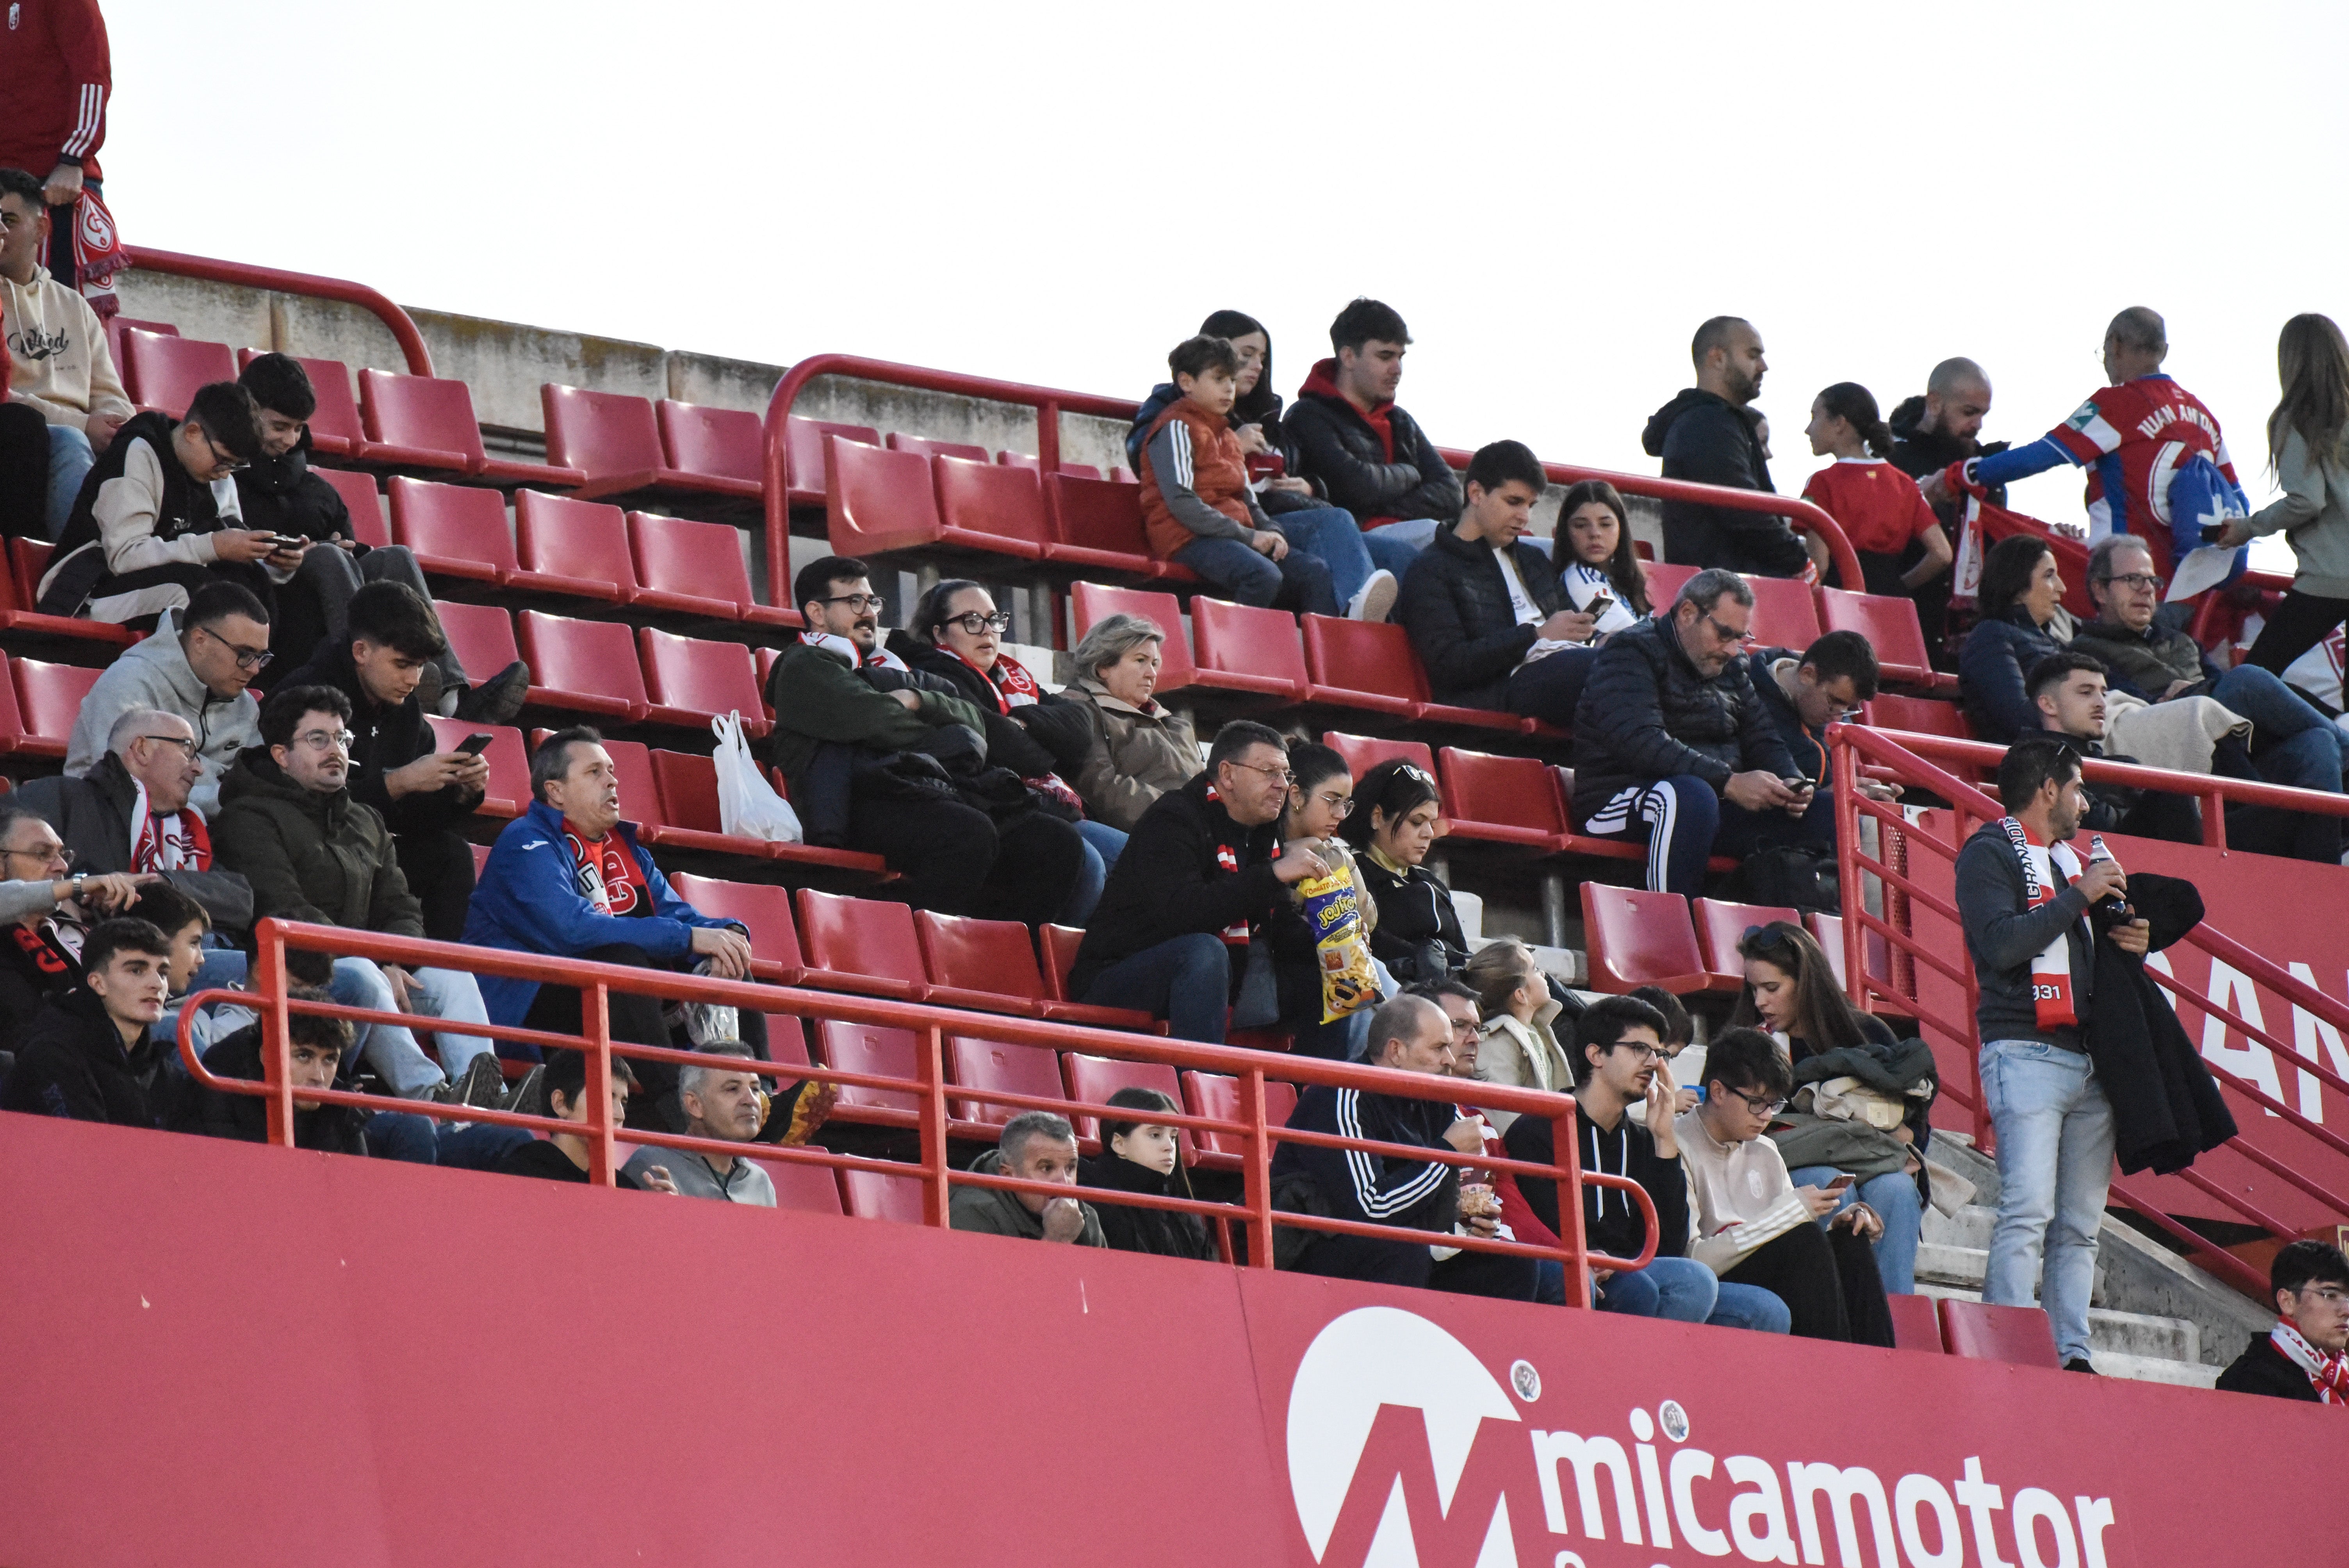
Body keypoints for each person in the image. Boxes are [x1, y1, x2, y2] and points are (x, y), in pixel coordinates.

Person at [1955, 738, 2153, 1371]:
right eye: (2077, 788)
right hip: (2026, 1052)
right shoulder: (1989, 852)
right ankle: (2006, 1347)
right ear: (2047, 789)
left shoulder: (2072, 861)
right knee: (2028, 1209)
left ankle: (2071, 1351)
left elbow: (2088, 961)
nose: (2084, 802)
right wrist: (2081, 896)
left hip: (2090, 1059)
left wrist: (2131, 937)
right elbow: (2001, 945)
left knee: (2079, 1225)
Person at [210, 683, 503, 1087]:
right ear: (281, 754)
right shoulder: (247, 817)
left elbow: (400, 905)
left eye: (341, 738)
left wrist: (396, 960)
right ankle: (430, 1094)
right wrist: (376, 960)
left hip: (374, 966)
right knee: (363, 975)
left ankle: (488, 1098)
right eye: (318, 739)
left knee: (453, 979)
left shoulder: (365, 819)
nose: (336, 750)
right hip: (295, 973)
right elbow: (285, 907)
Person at [765, 556, 1082, 924]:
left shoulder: (886, 666)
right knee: (966, 834)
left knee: (1054, 842)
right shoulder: (804, 665)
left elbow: (974, 720)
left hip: (913, 785)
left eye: (873, 602)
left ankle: (1002, 959)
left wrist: (919, 701)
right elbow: (877, 721)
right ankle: (903, 945)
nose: (869, 612)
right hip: (852, 800)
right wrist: (937, 725)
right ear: (817, 612)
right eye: (855, 602)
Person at [465, 726, 763, 1100]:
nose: (612, 781)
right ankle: (678, 1104)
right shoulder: (526, 841)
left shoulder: (624, 848)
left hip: (611, 1004)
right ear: (555, 791)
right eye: (595, 773)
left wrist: (729, 932)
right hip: (526, 1005)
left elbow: (676, 914)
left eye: (611, 770)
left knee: (730, 957)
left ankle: (761, 1094)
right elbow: (570, 930)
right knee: (620, 960)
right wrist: (687, 938)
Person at [233, 353, 526, 719]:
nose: (290, 440)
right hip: (269, 609)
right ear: (247, 412)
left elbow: (352, 557)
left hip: (325, 601)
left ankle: (452, 698)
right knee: (327, 557)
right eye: (279, 427)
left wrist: (347, 549)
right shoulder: (225, 477)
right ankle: (363, 674)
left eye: (298, 429)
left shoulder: (319, 491)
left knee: (394, 557)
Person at [1504, 996, 1792, 1331]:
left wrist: (1665, 1140)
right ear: (1596, 1054)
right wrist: (1596, 1260)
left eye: (1660, 1054)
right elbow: (1539, 1224)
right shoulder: (1540, 1127)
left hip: (1634, 1270)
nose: (1653, 1063)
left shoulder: (1644, 1139)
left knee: (1766, 1311)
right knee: (1688, 1282)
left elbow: (1668, 1246)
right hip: (1578, 1268)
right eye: (1639, 1049)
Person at [2067, 534, 2346, 862]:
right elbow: (2123, 706)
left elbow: (2216, 681)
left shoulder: (2181, 640)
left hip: (2236, 742)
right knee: (2246, 680)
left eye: (2152, 581)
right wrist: (2183, 694)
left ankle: (2325, 878)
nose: (2146, 589)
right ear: (2099, 590)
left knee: (2317, 742)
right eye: (2132, 580)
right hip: (2176, 737)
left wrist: (2194, 689)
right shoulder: (2085, 653)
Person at [1926, 308, 2245, 585]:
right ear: (2164, 351)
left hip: (2125, 580)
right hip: (2193, 588)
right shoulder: (2204, 417)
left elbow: (2041, 456)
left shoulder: (2115, 405)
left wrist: (1962, 475)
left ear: (2115, 346)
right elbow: (2239, 500)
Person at [1069, 721, 1322, 1044]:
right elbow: (1184, 912)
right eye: (1270, 772)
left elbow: (1276, 923)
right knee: (1204, 952)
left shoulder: (1262, 832)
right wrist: (1272, 875)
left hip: (1212, 977)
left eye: (1286, 775)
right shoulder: (1174, 818)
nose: (1282, 785)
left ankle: (1319, 1091)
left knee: (1330, 971)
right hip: (1118, 974)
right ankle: (1204, 1082)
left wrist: (1330, 939)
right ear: (1228, 775)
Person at [1274, 993, 1536, 1299]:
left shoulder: (1438, 1099)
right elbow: (1371, 1208)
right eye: (1439, 1048)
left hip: (1403, 1245)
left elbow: (1451, 1195)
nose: (1450, 1060)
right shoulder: (1342, 1095)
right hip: (1316, 1251)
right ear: (1396, 1051)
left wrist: (1473, 1220)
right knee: (1404, 1248)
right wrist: (1446, 1154)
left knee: (1513, 1264)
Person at [897, 577, 1123, 924]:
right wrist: (1038, 738)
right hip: (1003, 808)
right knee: (1095, 863)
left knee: (1149, 860)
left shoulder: (1014, 681)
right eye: (972, 621)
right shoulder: (937, 675)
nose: (987, 631)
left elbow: (1080, 729)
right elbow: (1012, 751)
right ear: (940, 634)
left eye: (994, 620)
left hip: (1050, 807)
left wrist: (1022, 720)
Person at [1571, 569, 1809, 896]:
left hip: (1712, 801)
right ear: (1687, 613)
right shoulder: (1630, 652)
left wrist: (1791, 780)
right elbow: (1639, 741)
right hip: (1617, 799)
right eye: (1724, 634)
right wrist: (1729, 781)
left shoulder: (1734, 665)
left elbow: (1763, 736)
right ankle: (1670, 931)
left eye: (1741, 638)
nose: (1731, 649)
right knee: (1687, 797)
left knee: (1829, 815)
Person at [277, 581, 491, 940]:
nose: (414, 680)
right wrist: (399, 782)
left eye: (421, 667)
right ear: (361, 651)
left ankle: (441, 971)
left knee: (450, 854)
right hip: (306, 851)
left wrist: (459, 792)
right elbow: (295, 803)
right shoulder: (303, 697)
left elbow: (412, 819)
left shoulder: (404, 711)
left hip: (372, 852)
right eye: (403, 665)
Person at [1135, 333, 1392, 621]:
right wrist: (1250, 536)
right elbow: (1183, 503)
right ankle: (1234, 654)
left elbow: (1248, 500)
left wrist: (1273, 533)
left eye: (1232, 381)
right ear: (1187, 382)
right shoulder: (1176, 428)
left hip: (1231, 534)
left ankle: (1328, 659)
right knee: (1263, 574)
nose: (1229, 389)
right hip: (1187, 538)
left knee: (1314, 572)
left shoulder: (1228, 437)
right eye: (1219, 379)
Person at [1730, 920, 1927, 1294]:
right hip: (1785, 1171)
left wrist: (1908, 1134)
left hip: (1871, 1162)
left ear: (1806, 983)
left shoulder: (1868, 1034)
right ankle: (1835, 1321)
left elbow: (1917, 1128)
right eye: (1753, 989)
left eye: (1772, 988)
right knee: (1827, 1185)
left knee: (1899, 1190)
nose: (1759, 1002)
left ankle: (1891, 1332)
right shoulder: (1751, 1043)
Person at [1677, 1026, 1895, 1344]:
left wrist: (1834, 1226)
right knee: (1803, 1239)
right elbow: (1693, 1260)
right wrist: (1792, 1213)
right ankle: (1828, 1371)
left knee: (1850, 1240)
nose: (1766, 1116)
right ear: (1719, 1092)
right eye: (1756, 1103)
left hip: (1769, 1268)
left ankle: (1880, 1374)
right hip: (1714, 1275)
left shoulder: (1765, 1149)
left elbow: (1784, 1239)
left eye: (1774, 1105)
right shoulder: (1677, 1144)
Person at [34, 378, 284, 626]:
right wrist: (213, 546)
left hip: (162, 581)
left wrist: (271, 560)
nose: (226, 473)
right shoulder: (138, 454)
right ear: (193, 433)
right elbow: (124, 557)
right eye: (223, 459)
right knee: (199, 595)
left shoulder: (217, 470)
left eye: (236, 466)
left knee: (252, 592)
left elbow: (225, 542)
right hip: (90, 588)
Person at [1397, 440, 1599, 724]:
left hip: (1563, 670)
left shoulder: (1534, 560)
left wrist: (1595, 637)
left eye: (1530, 505)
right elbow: (1450, 666)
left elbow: (1569, 626)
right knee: (1611, 672)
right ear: (1477, 493)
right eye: (1514, 502)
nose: (1525, 517)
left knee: (1640, 663)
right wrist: (1536, 636)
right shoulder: (1432, 569)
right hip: (1504, 689)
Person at [15, 706, 254, 935]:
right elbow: (15, 863)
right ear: (142, 749)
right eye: (188, 751)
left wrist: (160, 884)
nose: (198, 769)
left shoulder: (187, 829)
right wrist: (73, 893)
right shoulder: (62, 795)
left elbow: (241, 899)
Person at [1285, 298, 1464, 578]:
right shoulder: (1309, 415)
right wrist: (1410, 474)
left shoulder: (1400, 421)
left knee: (1533, 551)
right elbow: (1355, 486)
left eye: (1400, 357)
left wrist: (1376, 503)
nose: (1397, 369)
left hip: (1402, 532)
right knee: (1444, 538)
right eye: (1385, 357)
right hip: (1353, 541)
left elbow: (1451, 495)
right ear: (1348, 357)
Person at [65, 580, 269, 817]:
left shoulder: (245, 706)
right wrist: (227, 797)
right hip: (111, 823)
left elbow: (259, 783)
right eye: (245, 654)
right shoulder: (129, 682)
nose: (254, 669)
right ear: (200, 640)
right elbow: (131, 787)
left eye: (261, 656)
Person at [0, 162, 128, 536]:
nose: (0, 231)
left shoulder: (74, 306)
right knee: (68, 441)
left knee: (173, 441)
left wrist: (108, 425)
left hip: (84, 439)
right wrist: (81, 424)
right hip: (25, 437)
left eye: (9, 219)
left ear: (41, 228)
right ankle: (76, 568)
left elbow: (113, 399)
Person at [2226, 314, 2349, 682]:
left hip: (2329, 577)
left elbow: (2308, 500)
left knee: (2251, 680)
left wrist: (2248, 528)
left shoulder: (2296, 420)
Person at [1641, 316, 1810, 577]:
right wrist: (1799, 561)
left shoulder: (1714, 420)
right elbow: (1744, 509)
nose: (1764, 366)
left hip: (1728, 590)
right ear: (1718, 358)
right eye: (1753, 355)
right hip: (1727, 596)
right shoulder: (1708, 423)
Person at [1262, 741, 1381, 1060]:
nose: (1340, 815)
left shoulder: (1336, 852)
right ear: (1297, 795)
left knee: (1364, 973)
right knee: (1351, 983)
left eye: (1346, 805)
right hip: (1267, 968)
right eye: (1332, 801)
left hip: (1316, 968)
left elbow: (1367, 920)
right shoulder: (1261, 842)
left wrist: (1340, 866)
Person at [0, 800, 144, 1052]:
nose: (63, 867)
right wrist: (79, 885)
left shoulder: (71, 930)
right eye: (42, 854)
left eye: (63, 855)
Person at [0, 915, 172, 1125]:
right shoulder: (53, 1054)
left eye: (163, 973)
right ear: (98, 983)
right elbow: (82, 1151)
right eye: (136, 971)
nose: (157, 984)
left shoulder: (162, 1068)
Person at [1744, 629, 1896, 853]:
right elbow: (1768, 785)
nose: (1838, 717)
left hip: (1812, 819)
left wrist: (1853, 789)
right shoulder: (1749, 696)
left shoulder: (1821, 707)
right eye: (1834, 702)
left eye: (1848, 709)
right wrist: (1827, 796)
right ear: (1807, 675)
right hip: (1760, 818)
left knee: (1888, 817)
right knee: (1845, 818)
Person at [2025, 651, 2200, 844]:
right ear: (2049, 705)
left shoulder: (2120, 763)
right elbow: (2098, 824)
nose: (2101, 704)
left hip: (2133, 853)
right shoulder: (2032, 761)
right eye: (2086, 693)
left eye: (2103, 694)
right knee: (2174, 789)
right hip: (2107, 856)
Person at [1888, 358, 2002, 652]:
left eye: (1983, 415)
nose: (1977, 425)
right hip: (1903, 626)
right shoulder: (1891, 462)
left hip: (1969, 640)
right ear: (1936, 403)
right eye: (1969, 413)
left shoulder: (1986, 473)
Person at [1798, 382, 1952, 601]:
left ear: (1840, 423)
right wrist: (1896, 586)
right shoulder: (1905, 484)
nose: (1808, 429)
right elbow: (1942, 555)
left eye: (1815, 417)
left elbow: (1819, 566)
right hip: (1892, 607)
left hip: (1840, 602)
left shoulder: (1822, 483)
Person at [174, 987, 369, 1155]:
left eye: (329, 1060)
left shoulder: (341, 1107)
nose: (318, 1076)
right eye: (304, 1056)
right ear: (266, 1056)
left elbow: (358, 1191)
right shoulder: (218, 1090)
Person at [1057, 612, 1199, 834]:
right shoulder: (1080, 710)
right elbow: (1100, 787)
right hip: (1143, 838)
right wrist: (1180, 817)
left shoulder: (1178, 726)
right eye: (1140, 661)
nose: (1152, 674)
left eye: (1155, 663)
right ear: (1103, 666)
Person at [1340, 758, 1467, 987]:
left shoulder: (1431, 882)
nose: (1428, 833)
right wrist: (1422, 957)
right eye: (1417, 822)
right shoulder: (1353, 874)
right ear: (1377, 817)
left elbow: (1462, 952)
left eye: (1432, 822)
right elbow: (1369, 942)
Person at [494, 1048, 679, 1192]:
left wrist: (660, 1212)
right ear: (561, 1104)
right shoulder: (520, 1172)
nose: (620, 1115)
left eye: (624, 1102)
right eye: (606, 1097)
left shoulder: (624, 1187)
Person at [620, 1044, 777, 1203]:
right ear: (694, 1105)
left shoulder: (761, 1182)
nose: (751, 1101)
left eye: (755, 1089)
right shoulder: (652, 1164)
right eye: (732, 1089)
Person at [1958, 533, 2071, 743]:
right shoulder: (1990, 636)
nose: (2062, 588)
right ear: (2017, 586)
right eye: (2049, 576)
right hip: (2035, 766)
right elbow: (2018, 716)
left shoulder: (2056, 645)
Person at [1081, 1086, 1215, 1260]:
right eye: (1155, 1135)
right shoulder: (1091, 1193)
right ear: (1119, 1144)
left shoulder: (1187, 1213)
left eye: (1173, 1137)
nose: (1170, 1146)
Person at [2216, 1240, 2349, 1404]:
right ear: (2287, 1302)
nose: (2346, 1311)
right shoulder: (2250, 1382)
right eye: (2330, 1295)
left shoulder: (2343, 1379)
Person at [950, 1110, 1107, 1245]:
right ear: (1009, 1176)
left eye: (1070, 1168)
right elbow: (991, 1281)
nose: (1065, 1183)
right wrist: (1056, 1240)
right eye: (1047, 1168)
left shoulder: (1086, 1217)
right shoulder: (971, 1213)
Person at [1461, 937, 1572, 1124]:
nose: (1544, 974)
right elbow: (1506, 1120)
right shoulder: (1495, 1043)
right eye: (1535, 970)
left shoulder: (1536, 1031)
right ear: (1521, 995)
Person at [1553, 478, 1653, 629]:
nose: (1595, 534)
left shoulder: (1624, 574)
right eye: (1581, 525)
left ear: (1621, 528)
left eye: (1606, 525)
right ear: (1566, 532)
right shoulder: (1580, 579)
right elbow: (1634, 638)